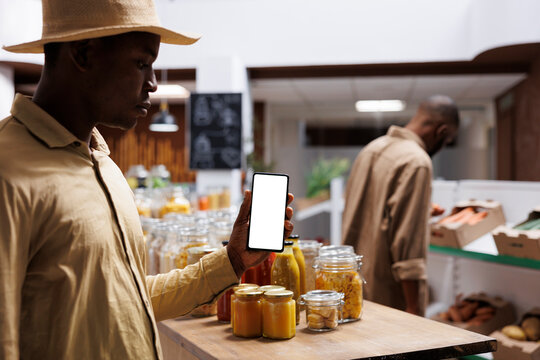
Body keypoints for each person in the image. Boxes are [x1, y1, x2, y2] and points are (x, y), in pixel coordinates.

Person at [0, 0, 293, 358]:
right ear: (83, 54)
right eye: (142, 63)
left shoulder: (102, 164)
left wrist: (232, 259)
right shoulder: (8, 171)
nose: (153, 83)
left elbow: (128, 298)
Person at [341, 95, 459, 316]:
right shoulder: (417, 161)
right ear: (441, 131)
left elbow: (369, 212)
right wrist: (413, 307)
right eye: (448, 140)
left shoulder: (372, 149)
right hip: (389, 299)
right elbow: (407, 243)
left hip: (352, 289)